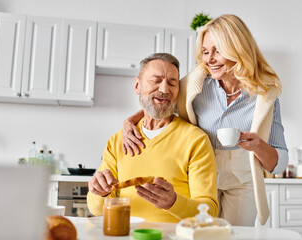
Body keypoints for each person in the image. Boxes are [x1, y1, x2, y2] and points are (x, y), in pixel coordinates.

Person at [121, 14, 288, 226]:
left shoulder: (265, 96)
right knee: (199, 232)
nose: (209, 59)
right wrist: (129, 122)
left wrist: (258, 146)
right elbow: (161, 102)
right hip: (201, 172)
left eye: (217, 51)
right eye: (205, 51)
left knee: (232, 236)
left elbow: (280, 162)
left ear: (237, 48)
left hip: (242, 178)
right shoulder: (195, 86)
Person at [87, 53, 219, 223]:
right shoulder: (117, 141)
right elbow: (95, 209)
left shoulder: (196, 140)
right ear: (137, 85)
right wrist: (100, 191)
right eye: (156, 81)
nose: (164, 89)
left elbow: (209, 211)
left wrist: (173, 203)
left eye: (172, 83)